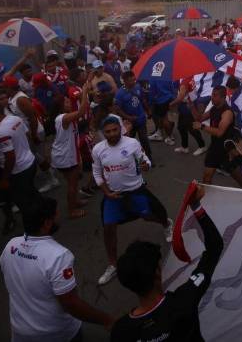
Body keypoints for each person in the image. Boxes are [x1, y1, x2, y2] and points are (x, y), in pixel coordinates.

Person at [111, 184, 222, 342]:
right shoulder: (183, 301)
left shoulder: (121, 332)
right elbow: (215, 248)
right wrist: (196, 206)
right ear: (157, 272)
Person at [0, 196, 113, 341]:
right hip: (56, 334)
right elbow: (71, 304)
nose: (58, 217)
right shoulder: (58, 256)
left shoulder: (10, 246)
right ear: (47, 223)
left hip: (20, 332)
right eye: (55, 215)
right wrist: (106, 319)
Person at [92, 117, 171, 286]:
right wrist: (107, 192)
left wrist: (146, 166)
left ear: (120, 129)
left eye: (115, 130)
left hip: (136, 191)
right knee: (108, 228)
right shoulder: (98, 149)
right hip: (113, 196)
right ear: (103, 133)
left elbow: (145, 160)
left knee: (150, 216)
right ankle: (113, 264)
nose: (112, 134)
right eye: (108, 131)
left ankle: (166, 224)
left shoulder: (132, 144)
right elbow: (97, 174)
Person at [0, 102, 39, 217]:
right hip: (29, 162)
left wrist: (5, 178)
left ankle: (34, 225)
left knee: (23, 202)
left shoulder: (1, 132)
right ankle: (45, 215)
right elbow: (27, 135)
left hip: (18, 171)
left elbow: (10, 157)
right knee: (32, 192)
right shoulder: (15, 119)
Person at [51, 82, 91, 219]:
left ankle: (75, 202)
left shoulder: (66, 116)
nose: (70, 102)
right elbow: (81, 111)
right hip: (65, 157)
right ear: (61, 106)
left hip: (66, 154)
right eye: (67, 101)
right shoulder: (63, 118)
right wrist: (85, 91)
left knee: (73, 181)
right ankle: (71, 210)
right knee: (72, 184)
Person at [192, 86, 235, 184]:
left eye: (215, 95)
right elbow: (200, 118)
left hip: (224, 149)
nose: (212, 97)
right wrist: (191, 107)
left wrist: (202, 127)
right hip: (216, 146)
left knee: (241, 178)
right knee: (207, 177)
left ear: (223, 97)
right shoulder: (214, 108)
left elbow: (219, 133)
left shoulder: (227, 113)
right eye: (212, 94)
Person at [113, 71, 153, 160]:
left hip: (141, 119)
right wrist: (129, 117)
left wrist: (148, 110)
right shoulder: (120, 94)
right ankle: (129, 159)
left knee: (144, 139)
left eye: (134, 80)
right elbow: (118, 110)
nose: (133, 82)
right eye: (131, 81)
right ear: (125, 81)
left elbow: (143, 100)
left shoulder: (138, 87)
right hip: (129, 123)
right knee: (128, 142)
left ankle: (148, 157)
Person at [170, 78, 205, 155]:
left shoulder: (184, 81)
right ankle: (184, 146)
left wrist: (171, 104)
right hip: (185, 106)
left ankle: (202, 146)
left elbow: (180, 97)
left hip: (188, 107)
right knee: (181, 127)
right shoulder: (187, 77)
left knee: (192, 128)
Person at [148, 79, 176, 146]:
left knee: (164, 120)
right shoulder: (166, 76)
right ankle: (159, 133)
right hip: (168, 98)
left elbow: (152, 92)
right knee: (162, 118)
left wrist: (150, 103)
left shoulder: (153, 78)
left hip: (160, 101)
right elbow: (172, 87)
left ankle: (170, 137)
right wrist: (172, 97)